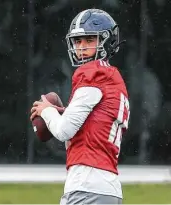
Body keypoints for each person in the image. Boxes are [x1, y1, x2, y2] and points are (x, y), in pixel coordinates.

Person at [30, 9, 130, 204]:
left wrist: (47, 111)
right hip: (108, 188)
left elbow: (63, 130)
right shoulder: (113, 78)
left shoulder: (93, 73)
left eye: (90, 40)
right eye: (78, 41)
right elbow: (95, 124)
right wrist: (63, 112)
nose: (82, 47)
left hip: (87, 186)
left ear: (106, 42)